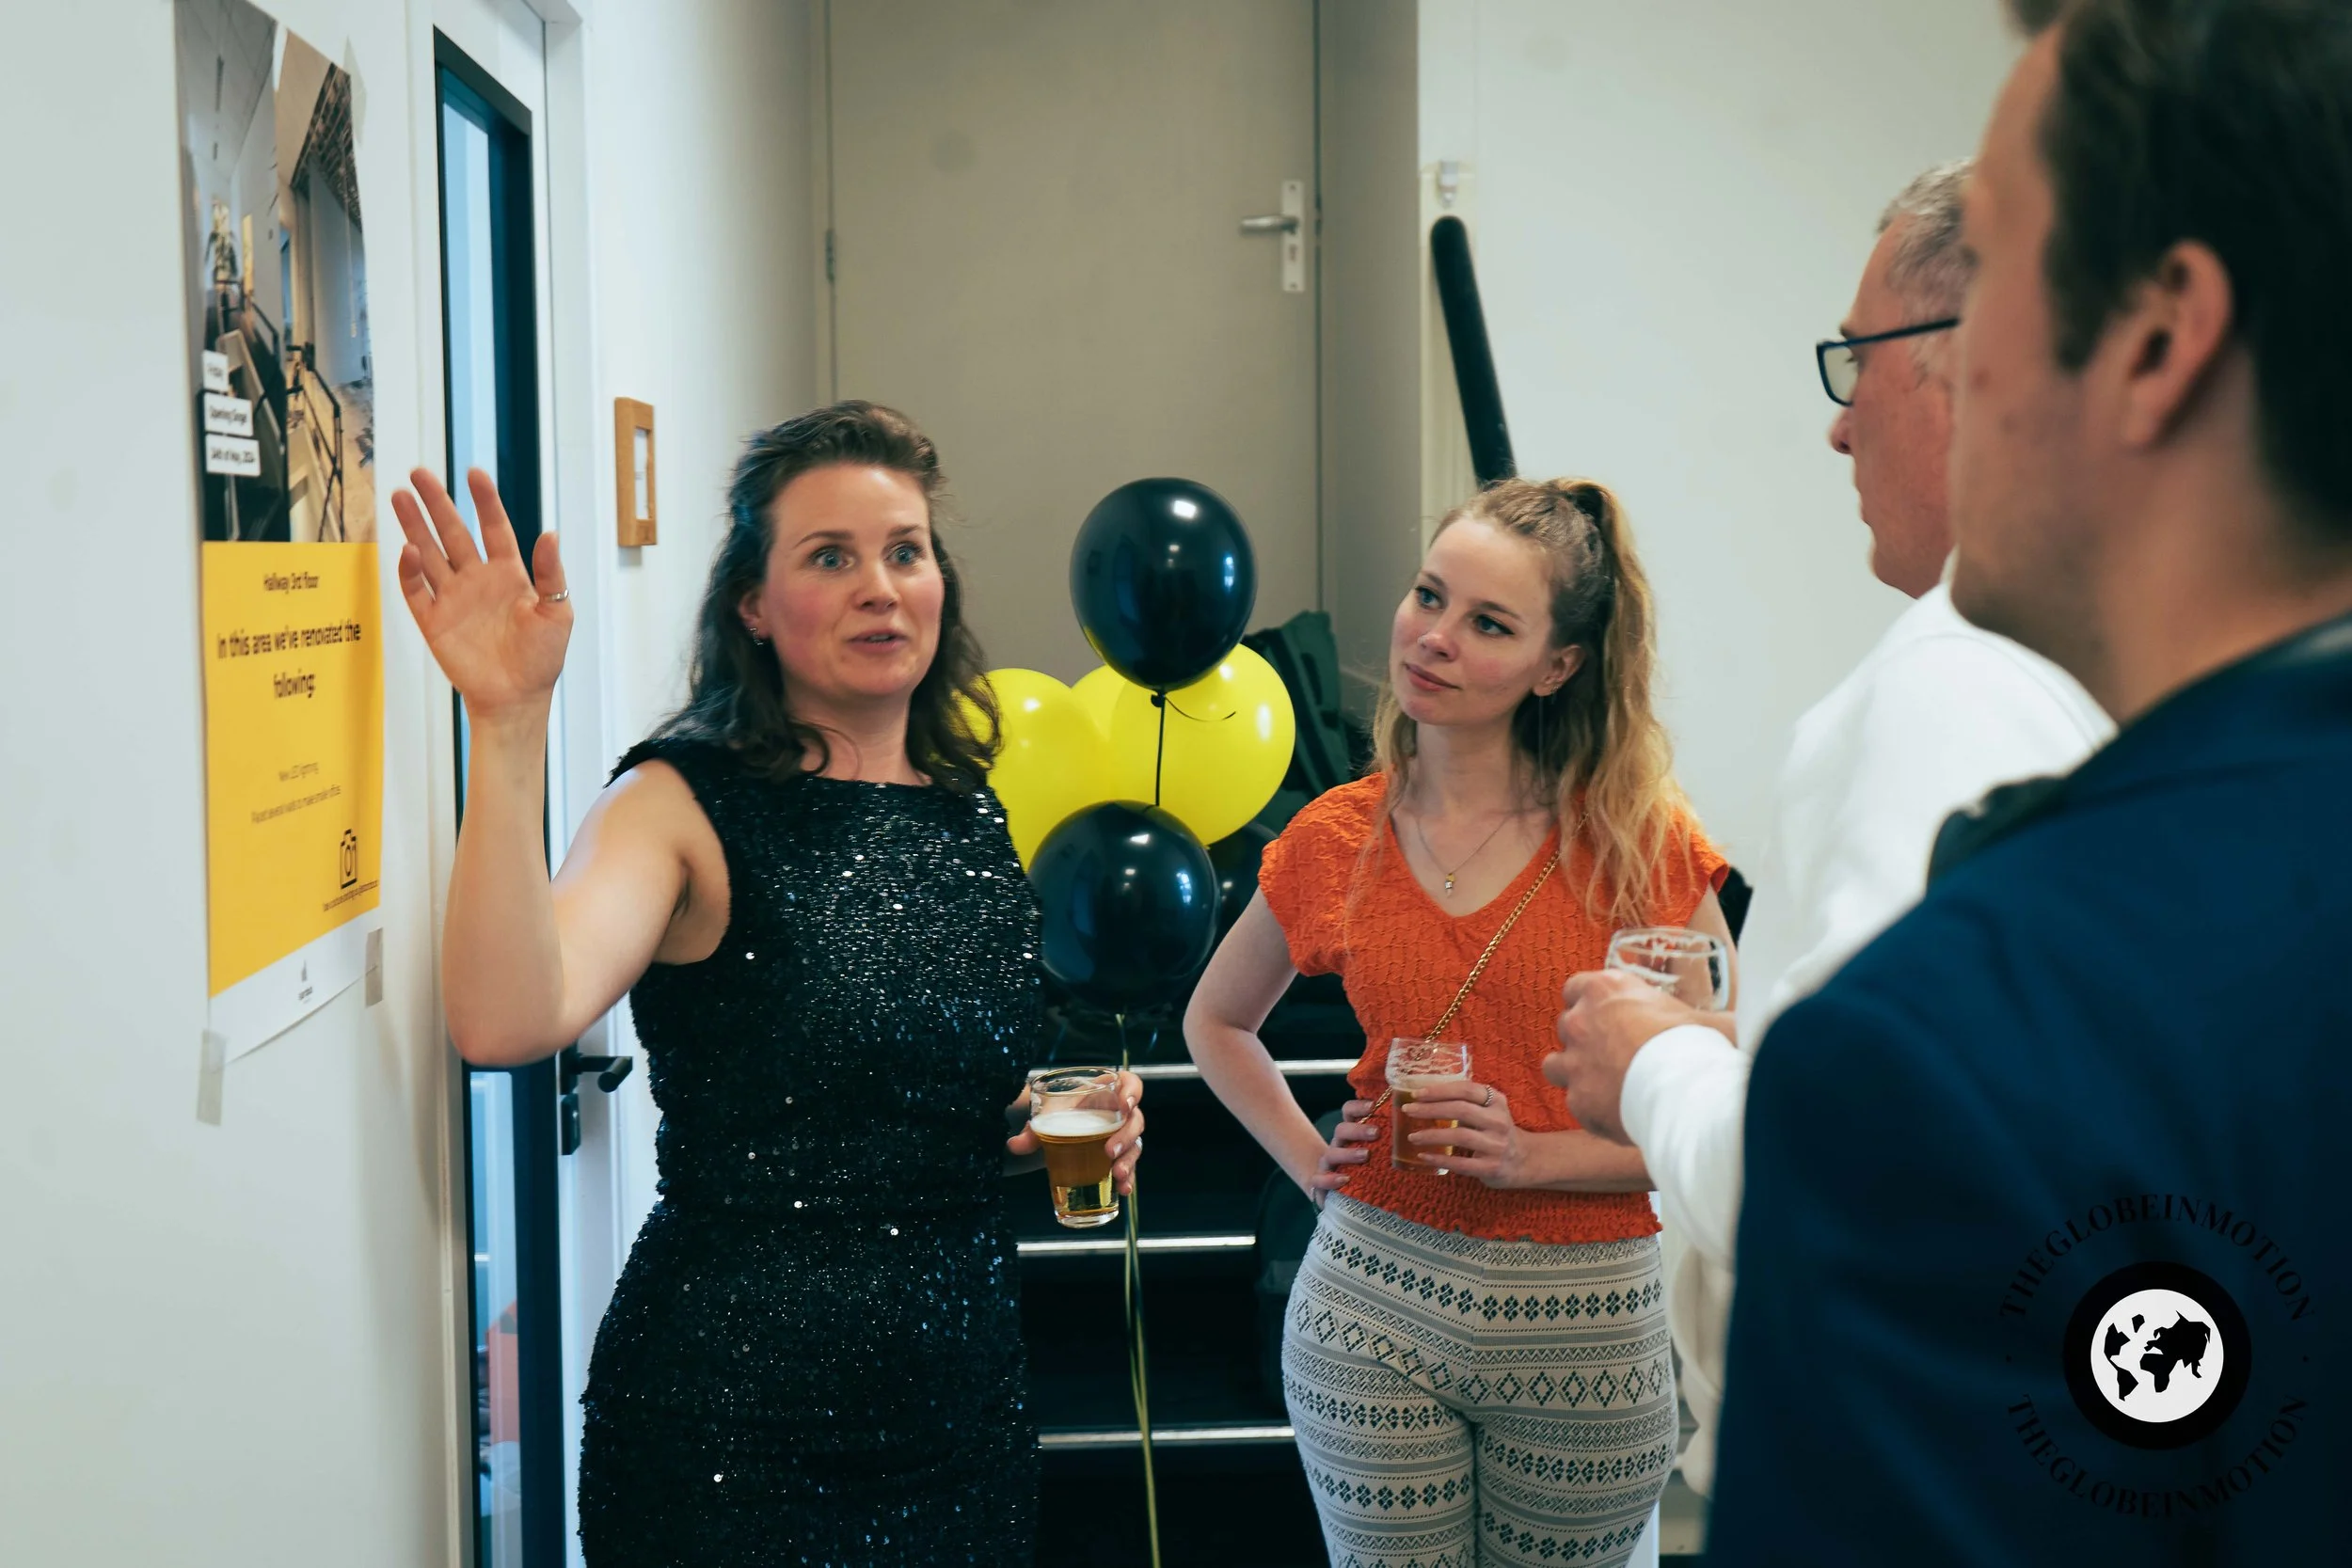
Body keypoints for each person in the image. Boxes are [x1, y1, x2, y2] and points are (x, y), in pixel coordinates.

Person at [1562, 1, 2352, 1559]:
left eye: (1998, 290)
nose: (1843, 424)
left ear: (2155, 344)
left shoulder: (1947, 1053)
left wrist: (1669, 1070)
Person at [389, 401, 1146, 1564]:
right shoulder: (676, 803)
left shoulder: (965, 808)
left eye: (905, 551)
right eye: (829, 557)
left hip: (961, 1412)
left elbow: (915, 1097)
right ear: (751, 601)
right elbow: (503, 1018)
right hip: (732, 1433)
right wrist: (507, 723)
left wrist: (1038, 1125)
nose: (879, 587)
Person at [1540, 160, 2111, 1499]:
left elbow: (1860, 1170)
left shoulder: (1954, 680)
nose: (1839, 430)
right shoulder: (2123, 658)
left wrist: (1656, 1063)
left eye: (1858, 362)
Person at [1185, 478, 1733, 1568]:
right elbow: (1216, 1021)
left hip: (1582, 1321)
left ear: (1556, 665)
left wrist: (1532, 1153)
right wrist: (1308, 1159)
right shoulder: (1334, 835)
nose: (1434, 636)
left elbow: (1720, 1107)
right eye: (1429, 595)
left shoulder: (1641, 844)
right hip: (1368, 1300)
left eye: (1488, 623)